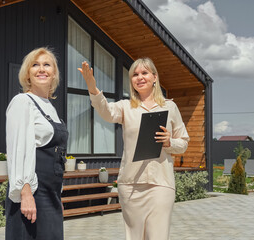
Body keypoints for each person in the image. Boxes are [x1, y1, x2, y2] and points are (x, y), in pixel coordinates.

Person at [78, 58, 189, 240]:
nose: (139, 77)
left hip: (161, 183)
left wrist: (171, 142)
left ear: (155, 77)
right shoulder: (125, 107)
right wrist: (93, 88)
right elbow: (105, 111)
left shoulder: (170, 107)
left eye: (144, 73)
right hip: (131, 185)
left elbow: (183, 142)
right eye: (135, 74)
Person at [5, 47, 68, 239]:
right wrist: (25, 193)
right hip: (32, 190)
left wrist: (58, 194)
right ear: (27, 74)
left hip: (51, 192)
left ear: (54, 73)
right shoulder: (23, 101)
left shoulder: (50, 107)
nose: (41, 69)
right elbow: (18, 150)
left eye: (47, 65)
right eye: (35, 65)